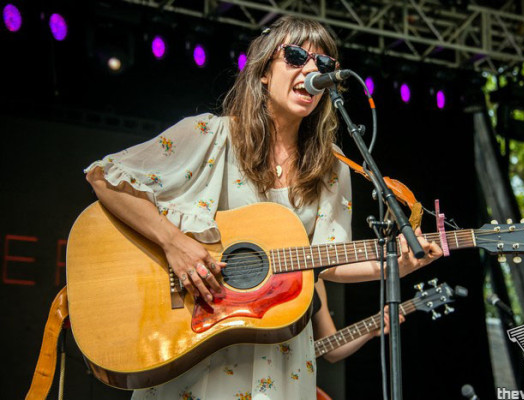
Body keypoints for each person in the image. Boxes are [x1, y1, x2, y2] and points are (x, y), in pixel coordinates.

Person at [85, 15, 442, 400]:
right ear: (263, 73)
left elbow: (330, 257)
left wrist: (396, 263)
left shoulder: (333, 165)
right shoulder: (211, 134)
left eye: (323, 65)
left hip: (282, 349)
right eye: (295, 57)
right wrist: (173, 242)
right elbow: (105, 178)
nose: (310, 71)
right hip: (202, 339)